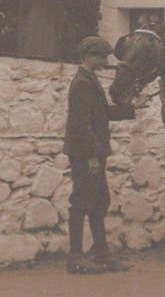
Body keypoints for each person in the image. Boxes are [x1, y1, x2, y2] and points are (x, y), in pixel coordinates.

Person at [63, 36, 147, 274]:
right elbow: (80, 125)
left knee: (99, 203)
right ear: (89, 56)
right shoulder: (82, 83)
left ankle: (103, 255)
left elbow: (104, 113)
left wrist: (134, 107)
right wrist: (91, 157)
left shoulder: (89, 79)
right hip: (85, 155)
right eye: (102, 56)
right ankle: (76, 259)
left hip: (92, 153)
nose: (105, 60)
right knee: (80, 203)